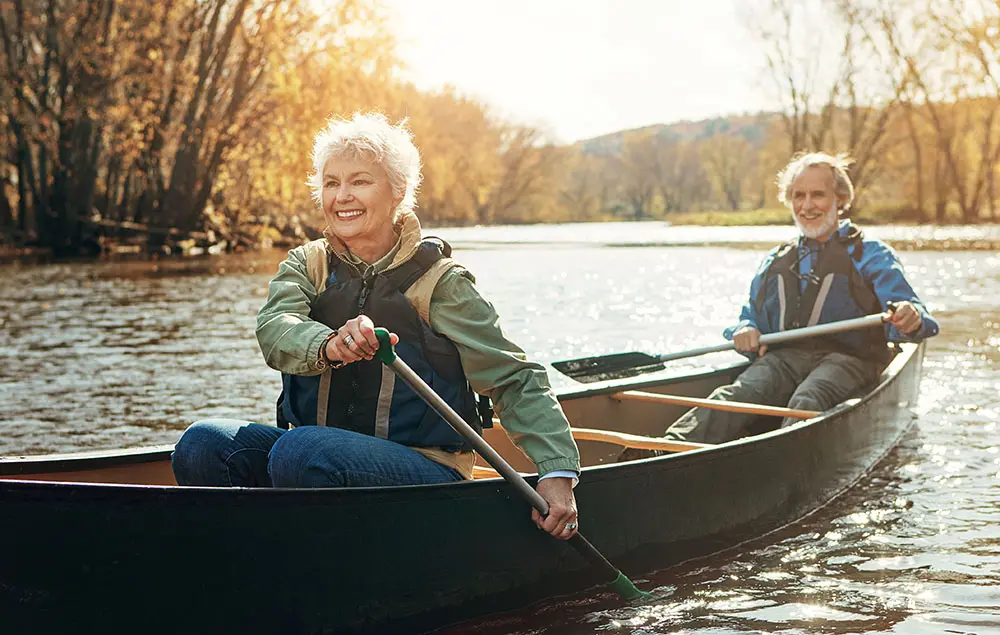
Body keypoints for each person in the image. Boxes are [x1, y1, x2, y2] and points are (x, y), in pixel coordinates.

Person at [172, 112, 582, 540]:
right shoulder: (306, 264)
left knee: (301, 451)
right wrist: (328, 344)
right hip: (318, 454)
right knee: (202, 444)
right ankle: (247, 557)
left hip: (424, 467)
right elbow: (275, 328)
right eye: (331, 183)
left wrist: (556, 472)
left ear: (397, 192)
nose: (342, 197)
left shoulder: (442, 284)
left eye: (360, 181)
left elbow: (512, 378)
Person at [635, 152, 940, 450]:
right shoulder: (776, 258)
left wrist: (909, 316)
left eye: (818, 195)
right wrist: (745, 329)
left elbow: (916, 315)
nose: (807, 206)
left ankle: (776, 464)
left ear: (841, 199)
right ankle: (663, 450)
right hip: (785, 359)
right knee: (736, 395)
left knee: (808, 398)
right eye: (798, 196)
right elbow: (749, 316)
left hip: (849, 359)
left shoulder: (871, 253)